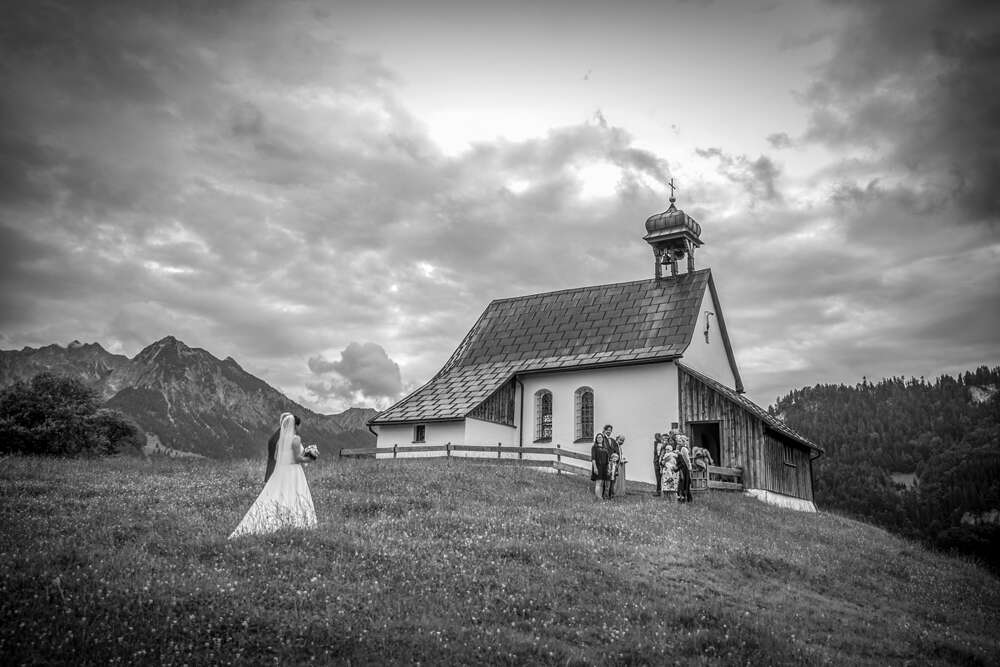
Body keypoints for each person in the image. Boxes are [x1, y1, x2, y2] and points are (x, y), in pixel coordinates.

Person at [231, 412, 317, 538]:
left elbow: (277, 457)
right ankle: (295, 520)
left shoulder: (280, 440)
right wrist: (310, 459)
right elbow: (297, 459)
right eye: (299, 426)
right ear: (295, 426)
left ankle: (273, 517)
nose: (300, 428)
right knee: (296, 494)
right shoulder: (296, 438)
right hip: (294, 471)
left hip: (281, 471)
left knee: (279, 494)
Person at [265, 413, 301, 483]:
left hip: (277, 472)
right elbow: (276, 457)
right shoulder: (281, 437)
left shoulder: (278, 436)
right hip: (279, 473)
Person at [591, 424, 614, 500]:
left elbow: (608, 458)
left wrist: (608, 468)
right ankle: (598, 497)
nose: (600, 438)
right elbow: (593, 458)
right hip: (598, 466)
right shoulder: (594, 447)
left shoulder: (605, 448)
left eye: (601, 437)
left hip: (605, 466)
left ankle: (601, 497)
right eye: (598, 437)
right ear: (596, 439)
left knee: (603, 483)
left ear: (602, 439)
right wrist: (595, 468)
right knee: (598, 483)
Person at [675, 435, 693, 503]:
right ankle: (686, 499)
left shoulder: (683, 449)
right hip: (682, 466)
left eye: (680, 441)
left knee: (685, 483)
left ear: (683, 442)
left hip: (684, 467)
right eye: (678, 441)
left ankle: (687, 499)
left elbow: (687, 459)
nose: (678, 442)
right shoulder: (679, 448)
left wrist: (689, 468)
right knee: (683, 483)